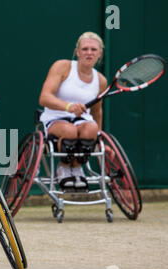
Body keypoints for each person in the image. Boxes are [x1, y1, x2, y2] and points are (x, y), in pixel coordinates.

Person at [38, 31, 107, 189]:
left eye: (93, 50)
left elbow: (97, 112)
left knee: (91, 129)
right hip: (55, 118)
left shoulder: (101, 80)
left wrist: (99, 138)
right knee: (69, 131)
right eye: (85, 49)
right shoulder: (62, 67)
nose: (89, 53)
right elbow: (44, 97)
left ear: (100, 54)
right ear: (77, 52)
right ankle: (63, 168)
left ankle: (76, 169)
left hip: (82, 121)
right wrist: (68, 107)